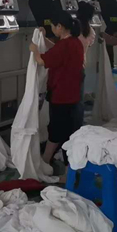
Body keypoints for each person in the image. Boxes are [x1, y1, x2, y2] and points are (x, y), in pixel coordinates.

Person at [30, 11, 84, 165]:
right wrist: (43, 38)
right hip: (73, 94)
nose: (52, 29)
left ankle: (55, 165)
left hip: (61, 95)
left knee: (58, 130)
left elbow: (41, 61)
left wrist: (34, 49)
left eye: (53, 27)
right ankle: (48, 160)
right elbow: (56, 50)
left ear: (59, 26)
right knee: (66, 129)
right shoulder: (75, 42)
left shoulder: (64, 46)